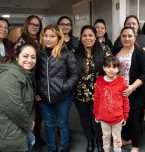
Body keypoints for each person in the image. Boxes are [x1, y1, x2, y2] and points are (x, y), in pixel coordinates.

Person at [35, 24, 79, 152]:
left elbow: (74, 75)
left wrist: (64, 87)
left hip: (63, 98)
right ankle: (51, 149)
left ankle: (65, 148)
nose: (48, 39)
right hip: (43, 99)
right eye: (46, 36)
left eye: (52, 36)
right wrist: (37, 91)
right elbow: (34, 75)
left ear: (59, 38)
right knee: (48, 126)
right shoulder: (39, 53)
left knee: (62, 125)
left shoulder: (67, 54)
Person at [73, 25, 111, 152]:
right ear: (81, 37)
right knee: (85, 119)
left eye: (90, 35)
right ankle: (90, 140)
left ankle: (99, 142)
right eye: (84, 35)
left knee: (98, 120)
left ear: (95, 37)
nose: (87, 38)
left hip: (99, 94)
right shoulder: (75, 52)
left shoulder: (104, 50)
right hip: (80, 93)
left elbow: (111, 70)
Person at [116, 27, 145, 152]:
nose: (127, 38)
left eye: (130, 36)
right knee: (122, 118)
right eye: (124, 36)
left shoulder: (140, 52)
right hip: (118, 92)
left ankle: (135, 145)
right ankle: (126, 139)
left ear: (135, 37)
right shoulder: (116, 50)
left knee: (134, 118)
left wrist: (132, 87)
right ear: (120, 37)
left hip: (133, 91)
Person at [14, 14, 45, 145]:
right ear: (27, 25)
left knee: (38, 113)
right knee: (29, 111)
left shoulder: (40, 40)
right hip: (29, 81)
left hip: (39, 79)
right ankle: (28, 138)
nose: (34, 27)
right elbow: (19, 66)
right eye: (32, 24)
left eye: (37, 25)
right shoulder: (22, 41)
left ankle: (36, 135)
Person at [93, 56, 130, 152]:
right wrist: (96, 113)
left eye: (114, 67)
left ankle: (117, 150)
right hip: (103, 117)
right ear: (104, 68)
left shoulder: (121, 81)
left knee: (117, 137)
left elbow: (125, 99)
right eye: (108, 67)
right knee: (105, 136)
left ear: (118, 69)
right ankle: (106, 150)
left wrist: (125, 115)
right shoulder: (99, 81)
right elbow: (96, 99)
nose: (111, 70)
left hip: (117, 117)